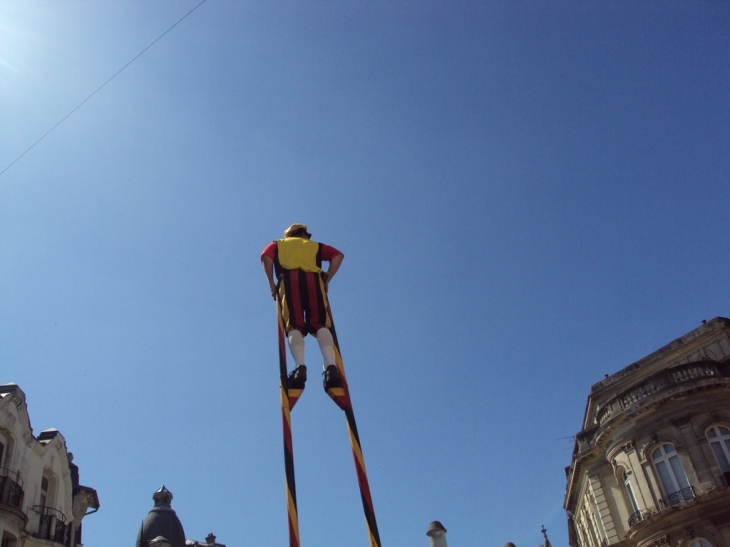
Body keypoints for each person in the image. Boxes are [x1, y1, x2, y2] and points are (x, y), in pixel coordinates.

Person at [261, 224, 344, 390]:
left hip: (289, 281)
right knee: (321, 323)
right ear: (304, 234)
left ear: (289, 235)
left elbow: (265, 257)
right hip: (314, 281)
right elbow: (337, 256)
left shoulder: (278, 244)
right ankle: (329, 366)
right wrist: (327, 279)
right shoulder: (315, 246)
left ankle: (300, 367)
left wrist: (271, 283)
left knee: (294, 324)